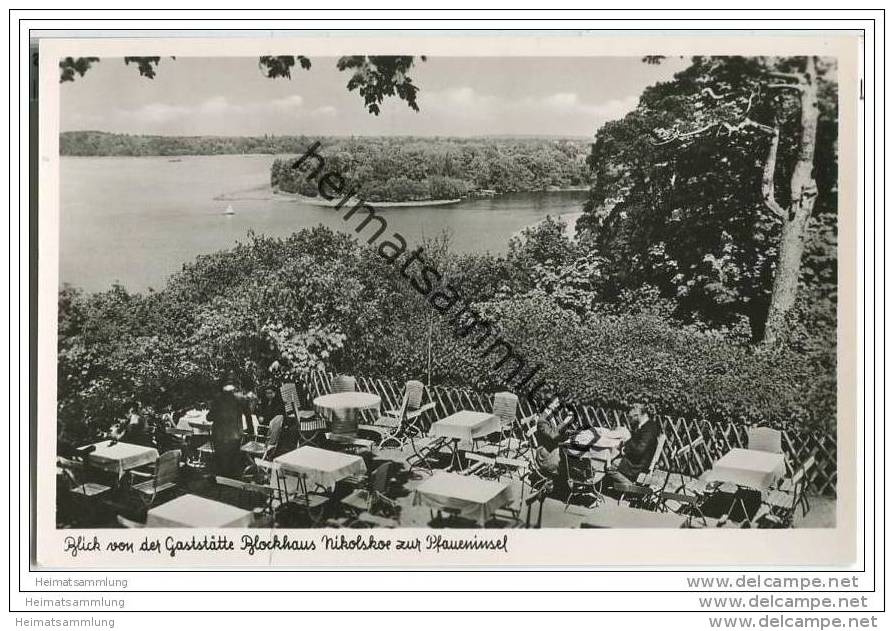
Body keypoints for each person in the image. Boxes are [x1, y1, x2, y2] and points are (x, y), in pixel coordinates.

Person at [606, 402, 660, 486]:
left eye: (631, 417)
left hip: (638, 464)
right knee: (611, 458)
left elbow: (639, 450)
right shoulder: (644, 425)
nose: (630, 419)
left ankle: (631, 486)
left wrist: (626, 447)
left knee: (610, 466)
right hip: (636, 460)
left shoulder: (649, 429)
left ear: (637, 415)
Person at [207, 377, 246, 477]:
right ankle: (232, 478)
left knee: (221, 457)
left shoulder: (217, 399)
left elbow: (209, 417)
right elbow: (248, 417)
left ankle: (221, 478)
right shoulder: (241, 399)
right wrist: (250, 431)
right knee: (233, 457)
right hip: (235, 434)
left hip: (220, 434)